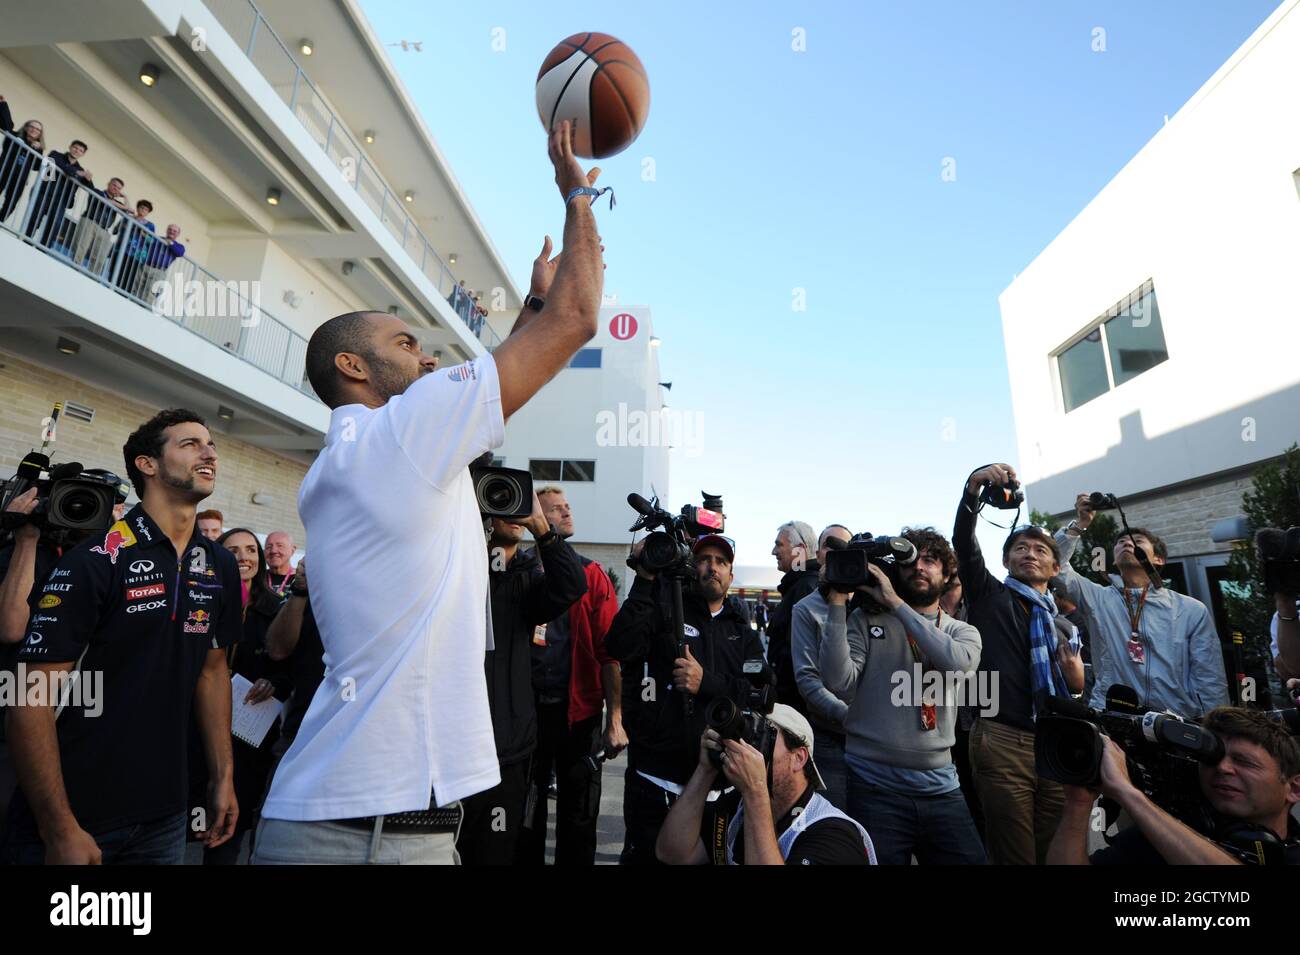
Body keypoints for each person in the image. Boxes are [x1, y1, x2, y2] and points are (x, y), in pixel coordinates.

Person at [253, 120, 604, 866]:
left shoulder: (360, 457)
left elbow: (495, 382)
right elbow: (580, 319)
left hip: (367, 824)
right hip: (362, 837)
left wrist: (528, 314)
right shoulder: (399, 436)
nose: (428, 355)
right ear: (353, 365)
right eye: (405, 344)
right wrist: (575, 190)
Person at [1, 409, 241, 864]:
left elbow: (213, 672)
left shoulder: (218, 565)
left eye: (210, 444)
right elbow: (28, 698)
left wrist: (222, 776)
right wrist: (58, 827)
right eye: (190, 444)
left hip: (166, 816)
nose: (209, 452)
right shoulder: (94, 560)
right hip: (76, 817)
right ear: (147, 464)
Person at [820, 527, 987, 864]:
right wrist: (838, 602)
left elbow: (956, 665)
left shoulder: (961, 631)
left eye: (930, 560)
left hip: (941, 787)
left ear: (947, 573)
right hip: (873, 785)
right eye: (910, 560)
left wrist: (895, 603)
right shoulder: (866, 620)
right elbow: (838, 683)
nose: (919, 567)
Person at [605, 533, 766, 864]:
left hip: (721, 790)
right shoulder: (664, 610)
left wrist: (705, 682)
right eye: (705, 559)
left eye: (721, 562)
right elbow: (619, 646)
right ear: (693, 567)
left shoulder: (742, 630)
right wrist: (646, 578)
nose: (712, 567)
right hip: (655, 780)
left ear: (731, 575)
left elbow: (762, 694)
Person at [953, 462, 1084, 865]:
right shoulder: (991, 596)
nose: (1030, 554)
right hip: (1002, 739)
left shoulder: (1060, 626)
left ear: (1056, 567)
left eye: (1041, 549)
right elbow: (963, 542)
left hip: (1055, 744)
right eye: (1020, 549)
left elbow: (1074, 690)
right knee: (1014, 854)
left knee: (1052, 850)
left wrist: (1077, 683)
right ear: (1007, 561)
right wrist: (973, 487)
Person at [458, 494, 586, 864]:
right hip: (455, 748)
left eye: (520, 504)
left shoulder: (530, 582)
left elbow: (571, 586)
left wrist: (541, 528)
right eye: (503, 500)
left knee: (496, 850)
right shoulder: (461, 570)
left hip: (508, 752)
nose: (513, 512)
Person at [1049, 706, 1300, 865]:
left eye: (1245, 762)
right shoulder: (1159, 836)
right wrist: (1078, 803)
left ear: (1294, 788)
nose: (1222, 768)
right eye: (1211, 759)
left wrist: (1128, 793)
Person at [519, 485, 623, 865]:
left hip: (577, 716)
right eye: (555, 509)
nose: (567, 513)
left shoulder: (592, 576)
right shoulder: (521, 569)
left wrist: (614, 719)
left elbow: (608, 654)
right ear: (537, 518)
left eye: (568, 507)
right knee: (526, 815)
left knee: (578, 816)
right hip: (528, 715)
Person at [1055, 494, 1228, 717]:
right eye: (1120, 542)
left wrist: (1215, 729)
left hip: (1176, 724)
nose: (1126, 542)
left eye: (1137, 540)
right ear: (1115, 560)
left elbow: (1210, 677)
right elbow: (1055, 565)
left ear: (1159, 559)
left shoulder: (1191, 610)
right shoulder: (1097, 598)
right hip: (1112, 718)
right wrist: (1080, 524)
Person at [655, 706, 875, 865]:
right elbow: (673, 853)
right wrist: (706, 769)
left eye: (764, 737)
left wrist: (755, 790)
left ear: (799, 758)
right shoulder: (738, 809)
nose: (749, 749)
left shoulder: (833, 834)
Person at [191, 528, 290, 865]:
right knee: (193, 810)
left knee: (233, 820)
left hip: (251, 729)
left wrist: (275, 681)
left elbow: (293, 664)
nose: (244, 557)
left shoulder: (277, 608)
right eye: (233, 551)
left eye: (251, 550)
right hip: (197, 721)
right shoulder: (198, 597)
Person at [789, 523, 853, 809]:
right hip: (828, 736)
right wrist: (851, 716)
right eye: (830, 545)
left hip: (873, 743)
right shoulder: (805, 609)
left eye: (844, 548)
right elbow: (808, 681)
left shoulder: (869, 605)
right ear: (818, 553)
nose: (836, 552)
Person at [767, 520, 821, 714]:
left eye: (779, 544)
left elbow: (800, 656)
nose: (773, 551)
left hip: (797, 708)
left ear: (800, 549)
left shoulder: (807, 588)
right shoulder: (799, 586)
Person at [24, 138, 90, 248]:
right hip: (44, 193)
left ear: (83, 154)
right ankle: (26, 242)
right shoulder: (56, 155)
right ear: (70, 147)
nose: (77, 151)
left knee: (55, 225)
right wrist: (76, 172)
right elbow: (60, 165)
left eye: (80, 150)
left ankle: (43, 249)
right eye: (75, 148)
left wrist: (88, 179)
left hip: (61, 201)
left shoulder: (81, 169)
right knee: (35, 218)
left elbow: (89, 187)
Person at [72, 176, 128, 276]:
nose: (116, 189)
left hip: (104, 229)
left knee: (100, 257)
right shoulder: (98, 192)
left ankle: (92, 277)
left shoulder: (118, 203)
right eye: (114, 185)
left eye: (119, 188)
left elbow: (129, 211)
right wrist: (118, 204)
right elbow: (106, 201)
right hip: (90, 222)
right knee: (81, 247)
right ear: (108, 184)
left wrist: (125, 197)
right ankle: (75, 270)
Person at [0, 99, 44, 227]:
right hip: (4, 170)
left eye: (38, 129)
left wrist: (39, 151)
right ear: (26, 127)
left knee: (12, 202)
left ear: (40, 134)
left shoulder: (37, 148)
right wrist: (3, 105)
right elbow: (7, 125)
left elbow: (36, 167)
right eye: (32, 127)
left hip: (20, 178)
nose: (34, 130)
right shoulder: (14, 136)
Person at [134, 223, 185, 302]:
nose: (171, 232)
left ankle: (143, 308)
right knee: (136, 287)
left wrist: (170, 243)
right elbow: (147, 239)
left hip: (159, 271)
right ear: (167, 230)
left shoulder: (179, 246)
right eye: (170, 229)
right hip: (145, 266)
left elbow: (180, 253)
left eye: (174, 231)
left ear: (178, 234)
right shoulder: (158, 239)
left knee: (149, 292)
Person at [263, 530, 296, 598]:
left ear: (292, 550)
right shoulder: (257, 578)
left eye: (280, 546)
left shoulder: (303, 579)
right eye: (269, 547)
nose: (273, 551)